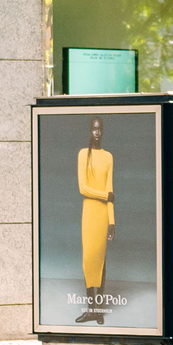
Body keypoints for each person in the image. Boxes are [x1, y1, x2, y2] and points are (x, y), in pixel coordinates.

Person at [77, 117, 115, 323]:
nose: (97, 133)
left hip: (101, 215)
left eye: (100, 129)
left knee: (101, 263)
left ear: (103, 132)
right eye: (94, 129)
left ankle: (98, 310)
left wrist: (112, 221)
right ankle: (90, 308)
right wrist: (104, 196)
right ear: (90, 131)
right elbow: (82, 188)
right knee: (88, 260)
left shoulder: (108, 157)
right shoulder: (84, 154)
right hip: (89, 213)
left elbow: (111, 190)